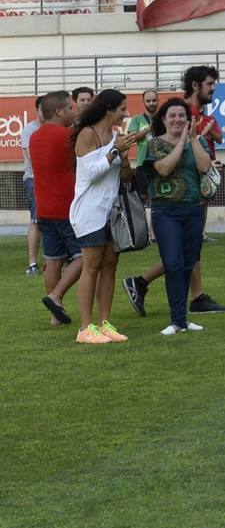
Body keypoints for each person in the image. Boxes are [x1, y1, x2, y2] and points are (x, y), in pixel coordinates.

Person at [123, 66, 225, 316]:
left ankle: (190, 298)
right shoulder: (182, 114)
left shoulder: (198, 115)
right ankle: (186, 297)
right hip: (171, 200)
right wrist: (187, 140)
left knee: (188, 251)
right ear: (195, 85)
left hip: (195, 190)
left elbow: (215, 142)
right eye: (209, 84)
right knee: (178, 255)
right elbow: (162, 164)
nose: (213, 88)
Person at [69, 90, 145, 344]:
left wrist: (123, 159)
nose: (125, 113)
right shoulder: (87, 134)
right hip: (89, 213)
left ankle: (104, 323)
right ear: (108, 109)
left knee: (110, 265)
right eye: (122, 108)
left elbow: (125, 178)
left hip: (112, 213)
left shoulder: (115, 137)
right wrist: (114, 151)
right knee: (91, 266)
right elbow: (91, 174)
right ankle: (84, 328)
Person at [143, 98, 213, 336]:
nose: (177, 120)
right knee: (172, 263)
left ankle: (182, 319)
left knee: (186, 264)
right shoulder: (155, 145)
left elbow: (205, 167)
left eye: (181, 116)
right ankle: (176, 320)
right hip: (166, 212)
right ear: (163, 119)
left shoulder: (198, 141)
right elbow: (163, 169)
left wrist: (192, 139)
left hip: (193, 210)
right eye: (172, 116)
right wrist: (181, 142)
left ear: (189, 119)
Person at [32, 91, 83, 326]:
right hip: (66, 208)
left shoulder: (34, 136)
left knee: (53, 260)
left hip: (44, 208)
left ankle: (55, 316)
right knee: (86, 257)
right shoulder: (67, 135)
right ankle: (56, 296)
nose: (75, 110)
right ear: (59, 111)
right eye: (72, 107)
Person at [20, 96, 42, 276]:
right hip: (34, 179)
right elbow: (32, 157)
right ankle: (32, 263)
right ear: (37, 110)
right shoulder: (29, 130)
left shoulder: (58, 128)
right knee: (36, 219)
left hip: (54, 180)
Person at [126, 89, 160, 166]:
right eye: (148, 101)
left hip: (161, 164)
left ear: (158, 101)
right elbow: (132, 138)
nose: (151, 103)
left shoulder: (164, 118)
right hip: (142, 164)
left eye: (154, 100)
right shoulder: (136, 119)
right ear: (143, 102)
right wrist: (148, 129)